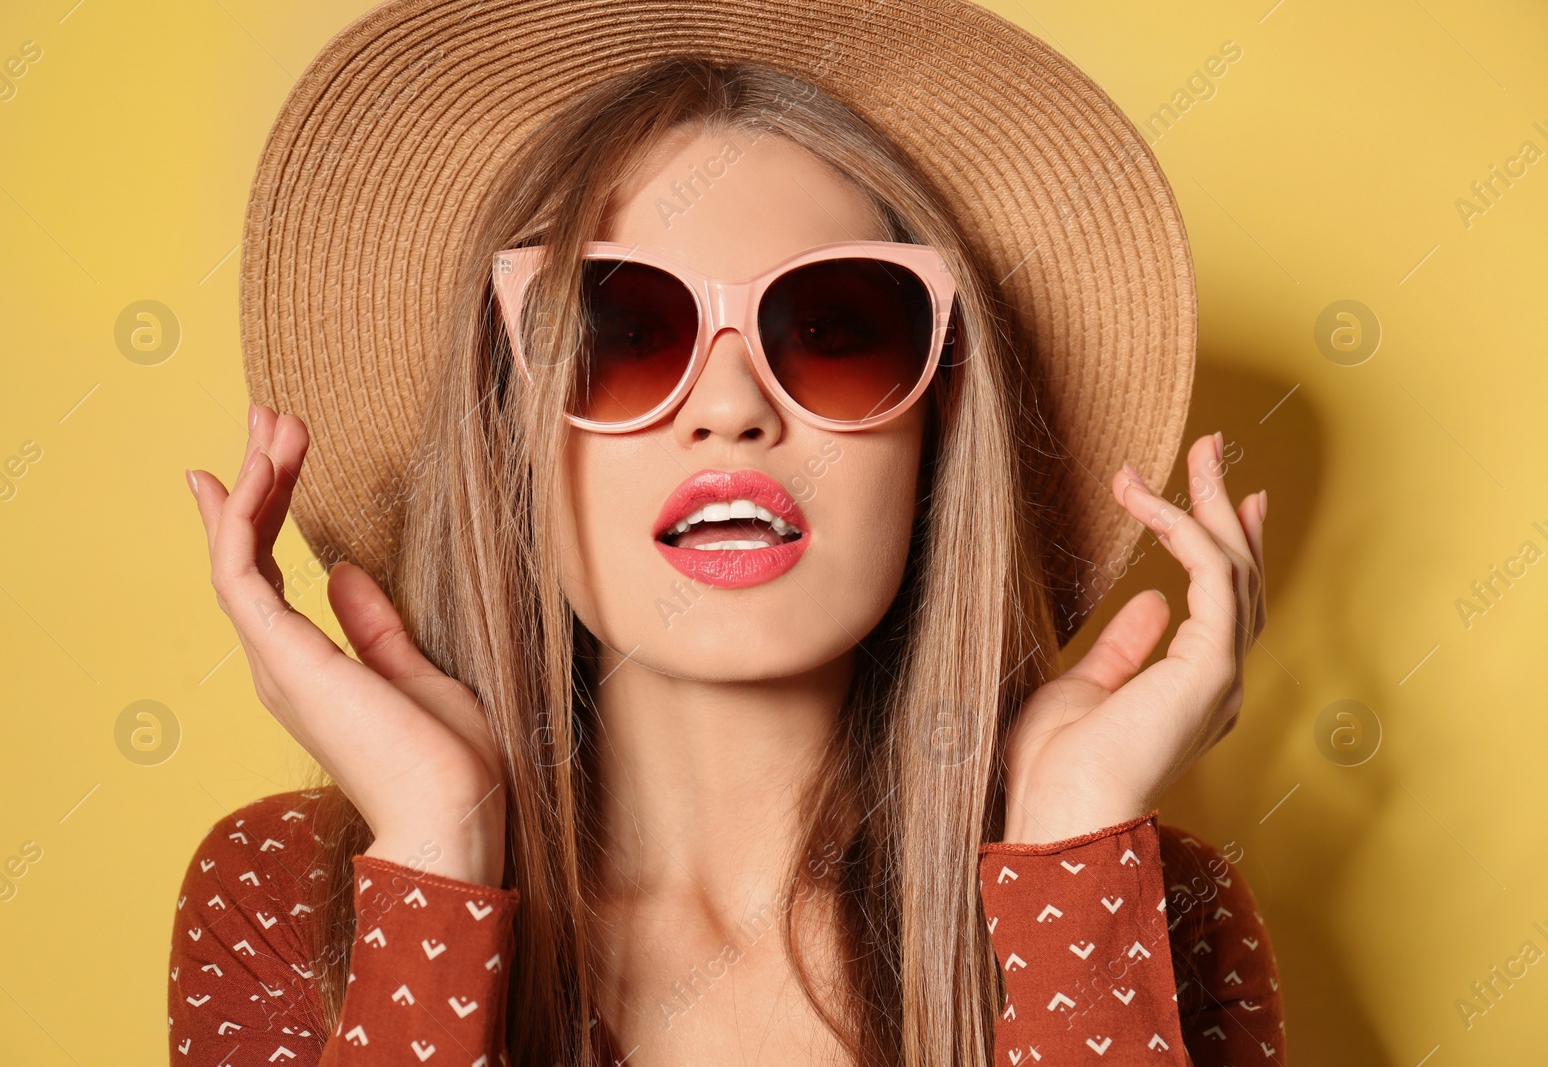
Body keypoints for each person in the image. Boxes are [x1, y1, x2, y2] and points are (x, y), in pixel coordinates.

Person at [171, 4, 1281, 1064]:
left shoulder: (1147, 905)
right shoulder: (292, 897)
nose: (732, 404)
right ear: (503, 428)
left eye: (836, 327)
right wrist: (434, 855)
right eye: (622, 327)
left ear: (939, 426)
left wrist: (1074, 865)